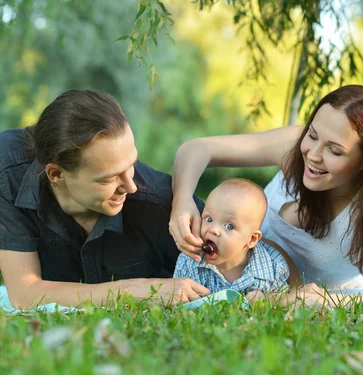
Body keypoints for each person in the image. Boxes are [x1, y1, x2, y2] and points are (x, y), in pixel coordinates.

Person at [169, 85, 363, 306]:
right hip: (225, 267)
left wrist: (328, 300)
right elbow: (197, 149)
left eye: (334, 151)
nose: (313, 155)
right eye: (312, 135)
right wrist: (182, 202)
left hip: (278, 297)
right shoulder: (294, 146)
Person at [0, 90, 209, 309]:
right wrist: (135, 291)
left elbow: (238, 257)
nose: (131, 186)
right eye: (108, 179)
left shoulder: (159, 203)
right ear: (56, 175)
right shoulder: (8, 174)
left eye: (131, 165)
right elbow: (25, 295)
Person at [173, 178, 290, 295]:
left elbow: (284, 304)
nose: (213, 230)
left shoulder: (274, 268)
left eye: (229, 226)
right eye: (209, 219)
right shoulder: (189, 262)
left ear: (252, 239)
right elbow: (177, 299)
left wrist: (266, 300)